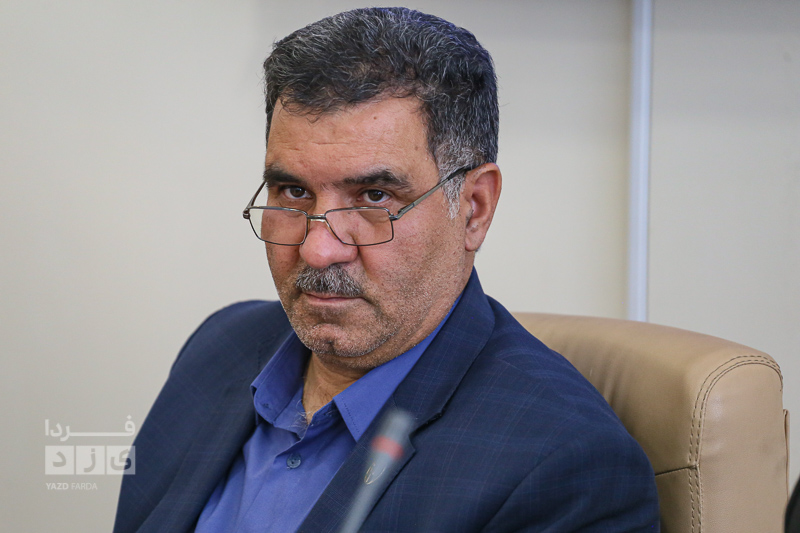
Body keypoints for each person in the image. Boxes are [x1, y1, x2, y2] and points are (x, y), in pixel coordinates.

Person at [114, 7, 659, 532]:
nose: (319, 250)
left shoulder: (562, 465)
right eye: (294, 192)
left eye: (374, 196)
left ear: (474, 208)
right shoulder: (219, 348)